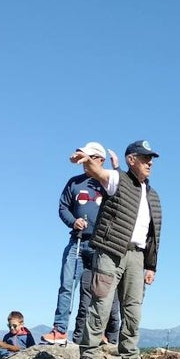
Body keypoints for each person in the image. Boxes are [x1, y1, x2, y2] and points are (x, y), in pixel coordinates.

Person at [72, 140, 163, 359]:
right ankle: (89, 351)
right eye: (144, 158)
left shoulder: (154, 196)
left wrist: (151, 266)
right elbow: (97, 171)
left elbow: (154, 234)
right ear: (131, 159)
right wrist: (86, 158)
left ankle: (129, 357)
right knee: (100, 302)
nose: (149, 162)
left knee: (133, 309)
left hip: (137, 256)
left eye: (151, 158)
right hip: (110, 251)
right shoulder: (117, 179)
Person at [42, 142, 119, 346]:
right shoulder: (74, 183)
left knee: (100, 291)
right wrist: (73, 221)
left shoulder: (109, 181)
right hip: (77, 241)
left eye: (90, 158)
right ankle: (59, 330)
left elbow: (125, 194)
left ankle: (102, 333)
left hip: (102, 244)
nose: (86, 162)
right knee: (67, 285)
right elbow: (63, 207)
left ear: (100, 160)